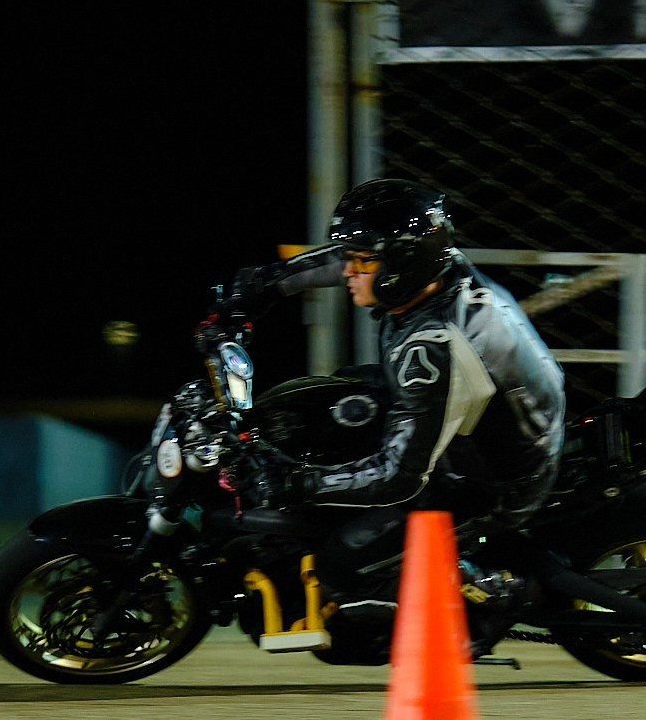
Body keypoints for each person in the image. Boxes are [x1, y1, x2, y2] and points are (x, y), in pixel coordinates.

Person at [198, 177, 567, 619]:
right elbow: (344, 261)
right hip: (482, 426)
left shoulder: (432, 348)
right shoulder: (435, 270)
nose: (348, 270)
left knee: (342, 559)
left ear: (400, 266)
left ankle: (493, 591)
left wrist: (297, 483)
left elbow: (398, 477)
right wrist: (261, 286)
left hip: (492, 479)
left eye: (362, 262)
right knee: (328, 406)